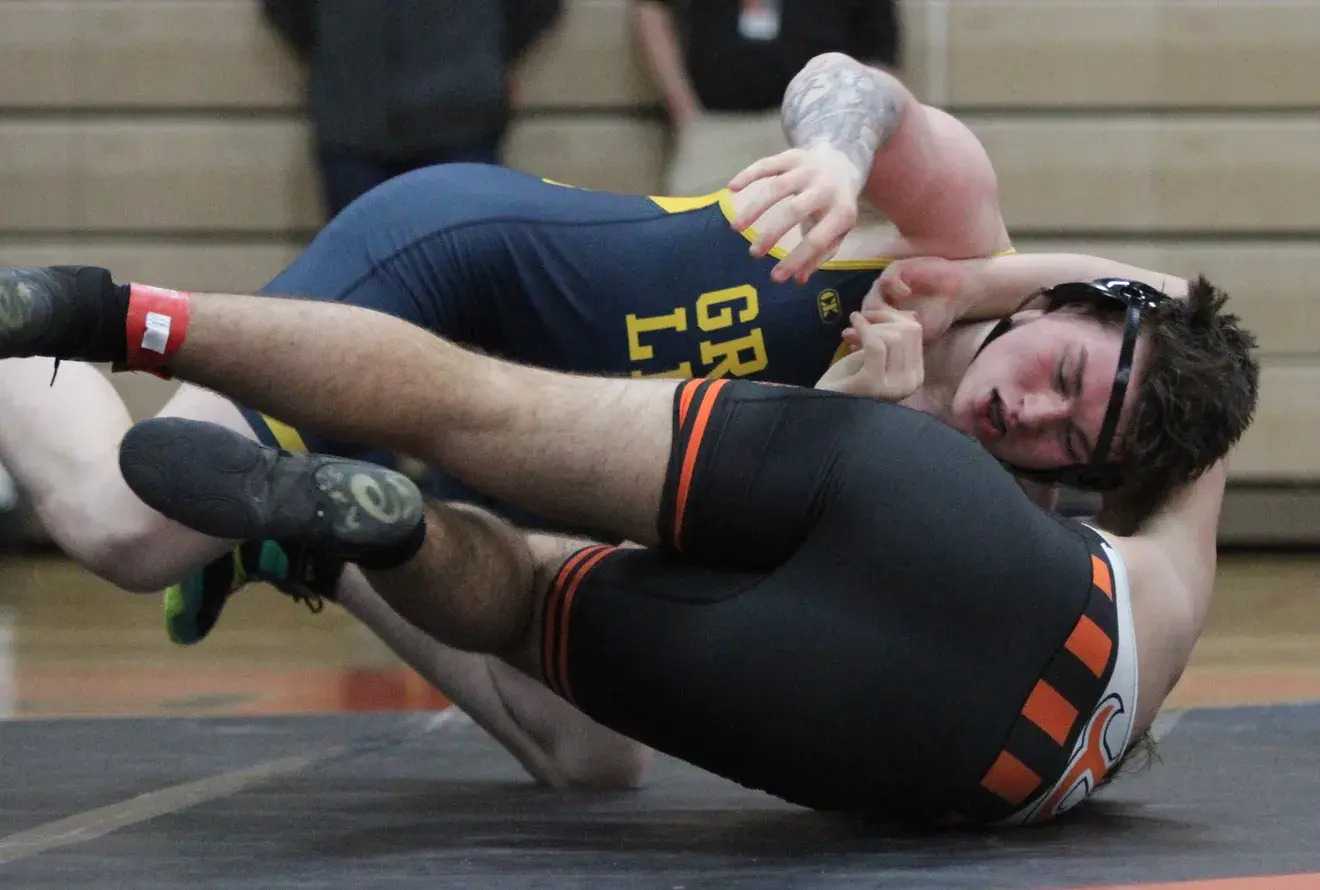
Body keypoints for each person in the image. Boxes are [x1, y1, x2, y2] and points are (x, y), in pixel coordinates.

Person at [0, 261, 1252, 825]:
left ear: (1091, 485)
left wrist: (1003, 281)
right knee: (525, 598)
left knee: (475, 404)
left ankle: (115, 314)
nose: (1032, 410)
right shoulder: (1163, 586)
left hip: (909, 510)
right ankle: (387, 528)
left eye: (1070, 427)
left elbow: (1162, 292)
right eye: (1065, 372)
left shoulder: (1075, 455)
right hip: (948, 753)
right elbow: (1178, 366)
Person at [261, 0, 562, 217]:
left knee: (461, 282)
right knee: (358, 286)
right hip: (352, 122)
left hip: (461, 123)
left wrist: (485, 60)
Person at [632, 0, 901, 195]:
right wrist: (685, 111)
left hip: (818, 134)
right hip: (715, 128)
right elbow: (651, 8)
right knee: (694, 242)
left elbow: (880, 52)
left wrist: (848, 136)